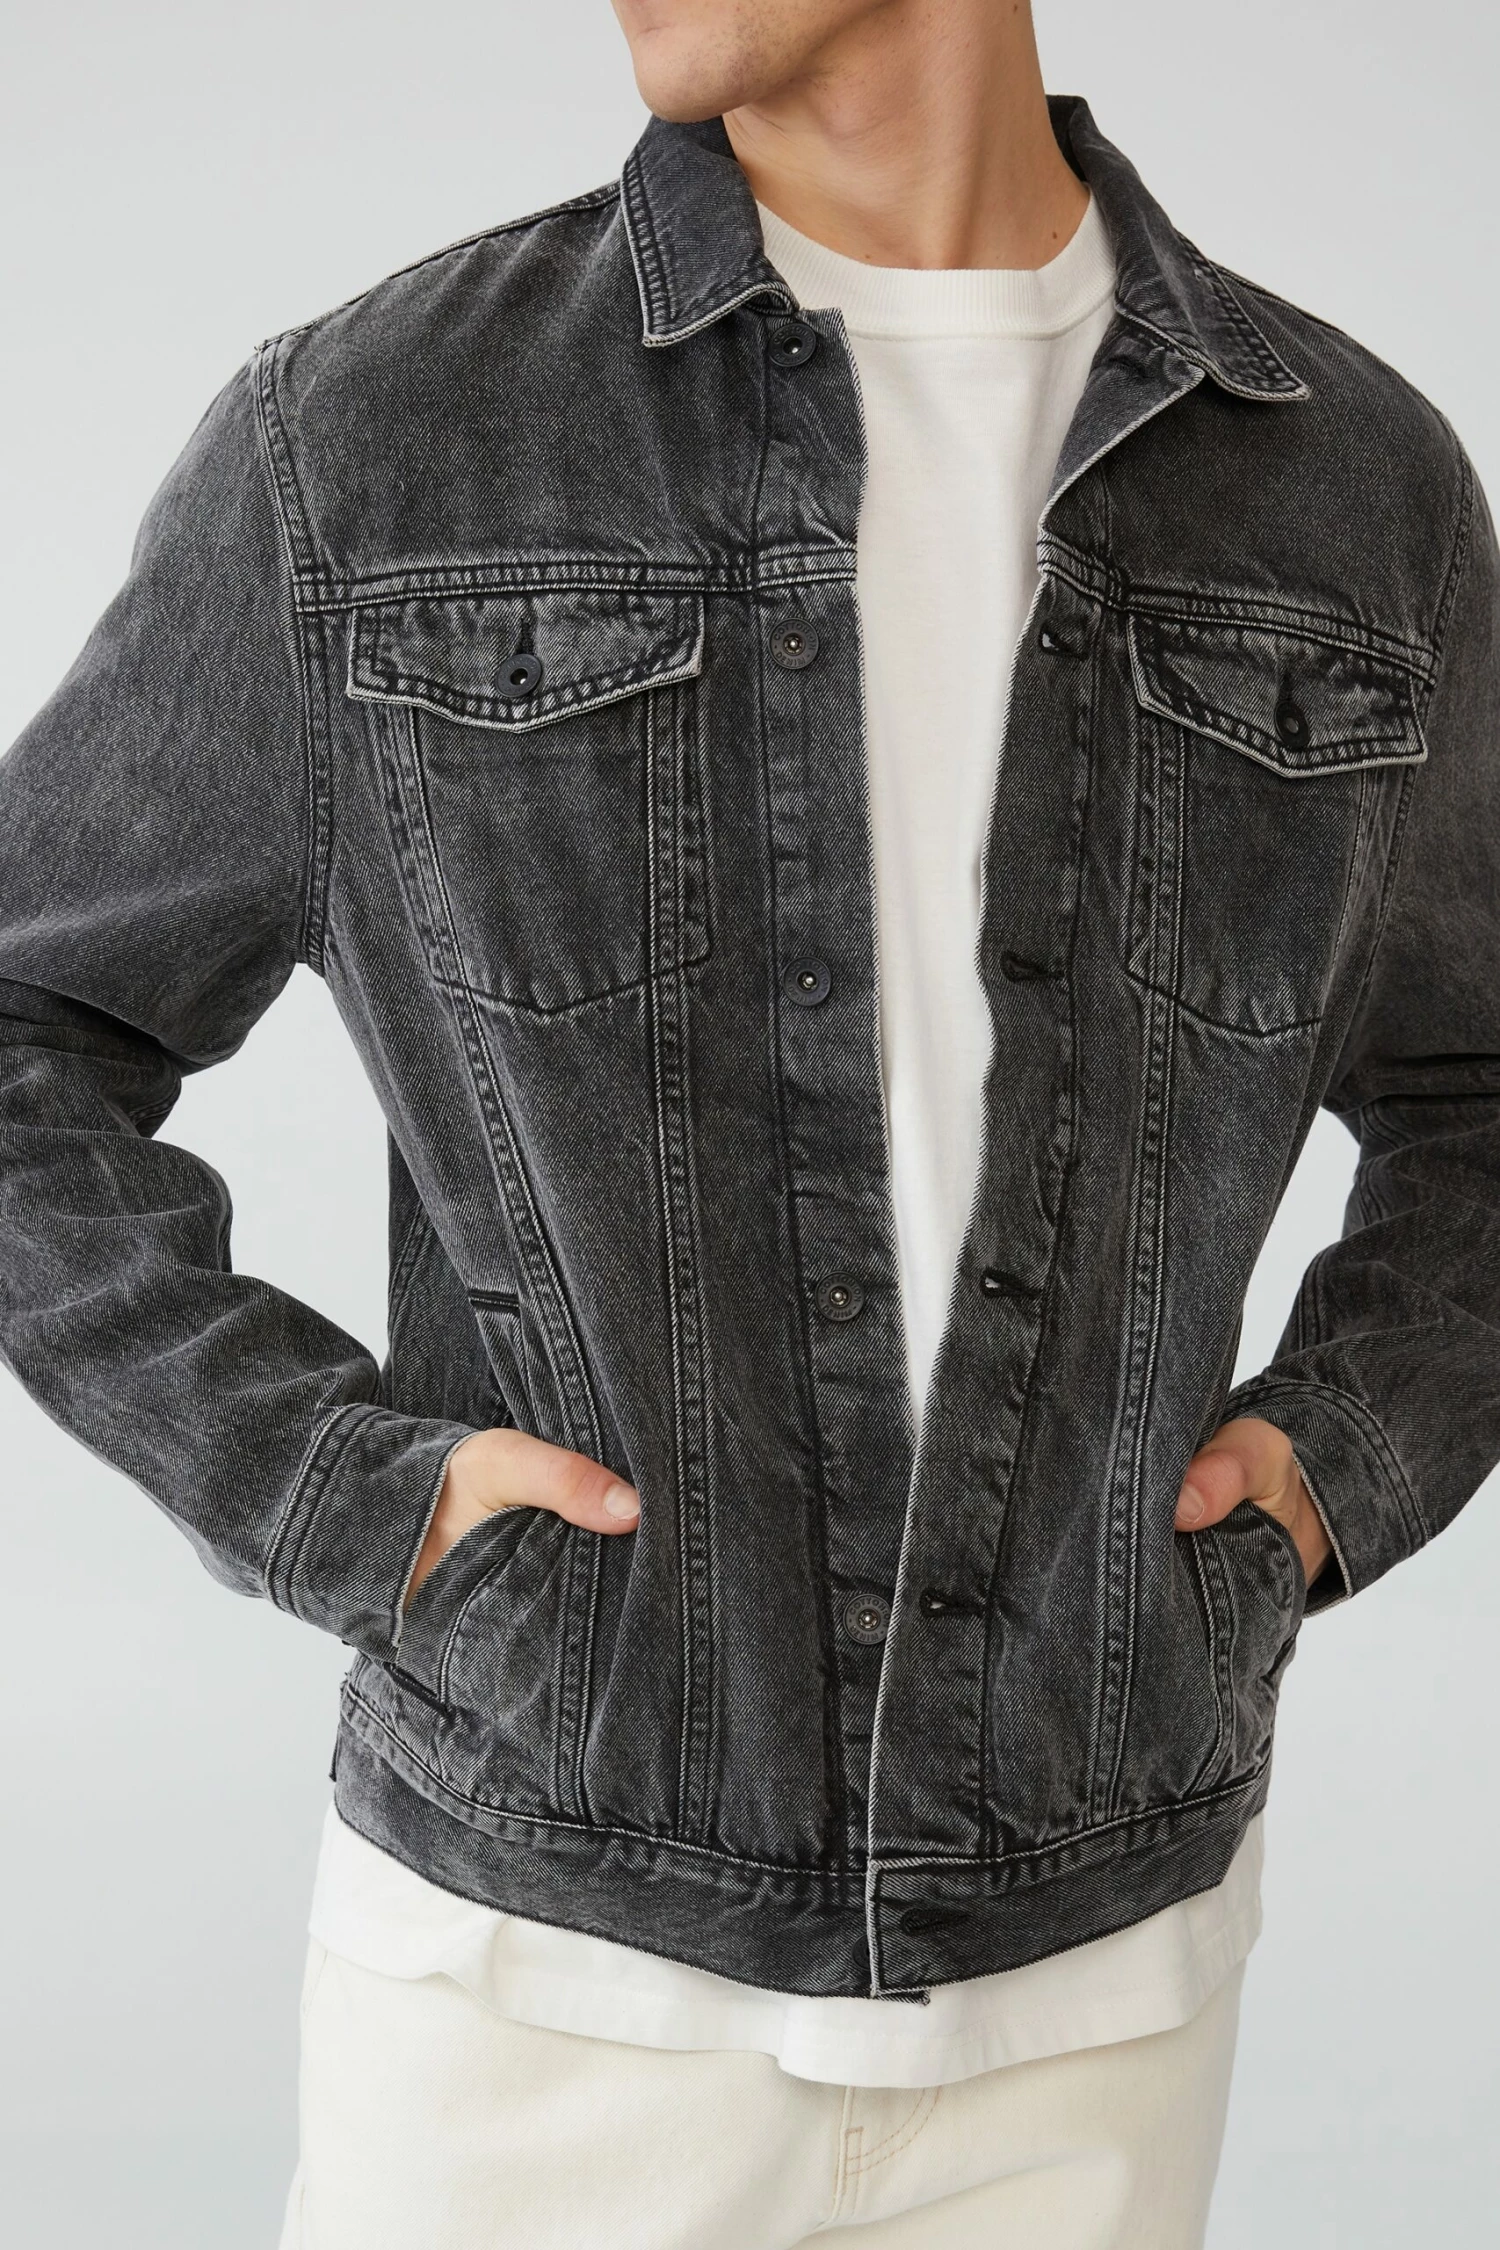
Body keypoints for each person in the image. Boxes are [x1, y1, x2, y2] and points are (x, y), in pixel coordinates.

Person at [1, 0, 1495, 2242]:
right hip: (536, 2001)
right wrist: (348, 1501)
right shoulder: (381, 442)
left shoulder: (1353, 494)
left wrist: (1325, 1475)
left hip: (1102, 2017)